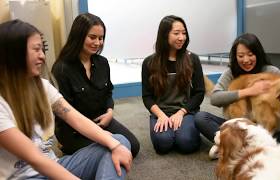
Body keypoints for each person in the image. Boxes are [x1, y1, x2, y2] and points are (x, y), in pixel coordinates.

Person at [0, 19, 132, 179]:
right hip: (24, 177)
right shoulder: (2, 102)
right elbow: (35, 159)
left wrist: (115, 145)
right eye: (36, 49)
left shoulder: (42, 86)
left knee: (119, 142)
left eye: (42, 49)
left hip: (55, 165)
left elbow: (75, 118)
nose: (42, 56)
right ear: (14, 54)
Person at [194, 33, 280, 149]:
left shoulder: (272, 71)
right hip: (236, 127)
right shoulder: (231, 72)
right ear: (235, 56)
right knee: (201, 117)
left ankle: (235, 146)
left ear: (258, 53)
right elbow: (215, 98)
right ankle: (252, 147)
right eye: (241, 56)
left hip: (264, 128)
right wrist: (249, 91)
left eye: (250, 54)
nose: (246, 60)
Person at [51, 13, 140, 157]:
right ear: (78, 36)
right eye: (92, 37)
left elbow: (108, 92)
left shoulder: (102, 63)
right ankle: (66, 147)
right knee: (110, 151)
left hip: (101, 119)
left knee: (132, 146)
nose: (98, 43)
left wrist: (109, 113)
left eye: (101, 38)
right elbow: (65, 115)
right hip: (75, 129)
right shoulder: (61, 69)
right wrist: (101, 135)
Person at [141, 15, 205, 154]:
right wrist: (160, 115)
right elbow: (147, 96)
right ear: (164, 35)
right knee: (163, 144)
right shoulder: (149, 62)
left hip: (185, 111)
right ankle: (173, 129)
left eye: (184, 33)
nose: (181, 37)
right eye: (176, 33)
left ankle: (187, 129)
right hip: (161, 112)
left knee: (186, 143)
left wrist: (182, 113)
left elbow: (199, 92)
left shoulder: (192, 59)